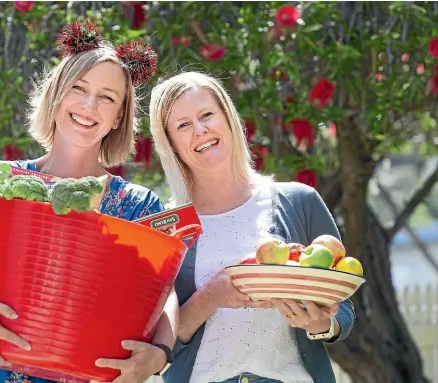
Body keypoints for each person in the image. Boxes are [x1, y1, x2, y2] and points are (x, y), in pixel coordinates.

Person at [0, 21, 177, 383]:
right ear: (57, 95)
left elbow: (164, 291)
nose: (90, 105)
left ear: (118, 117)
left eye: (108, 97)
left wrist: (159, 356)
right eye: (79, 88)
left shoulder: (139, 204)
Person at [149, 71, 356, 383]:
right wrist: (211, 297)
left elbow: (345, 311)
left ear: (228, 118)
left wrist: (319, 324)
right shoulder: (168, 228)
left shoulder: (299, 201)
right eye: (183, 125)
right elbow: (154, 343)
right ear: (171, 144)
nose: (201, 130)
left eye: (207, 115)